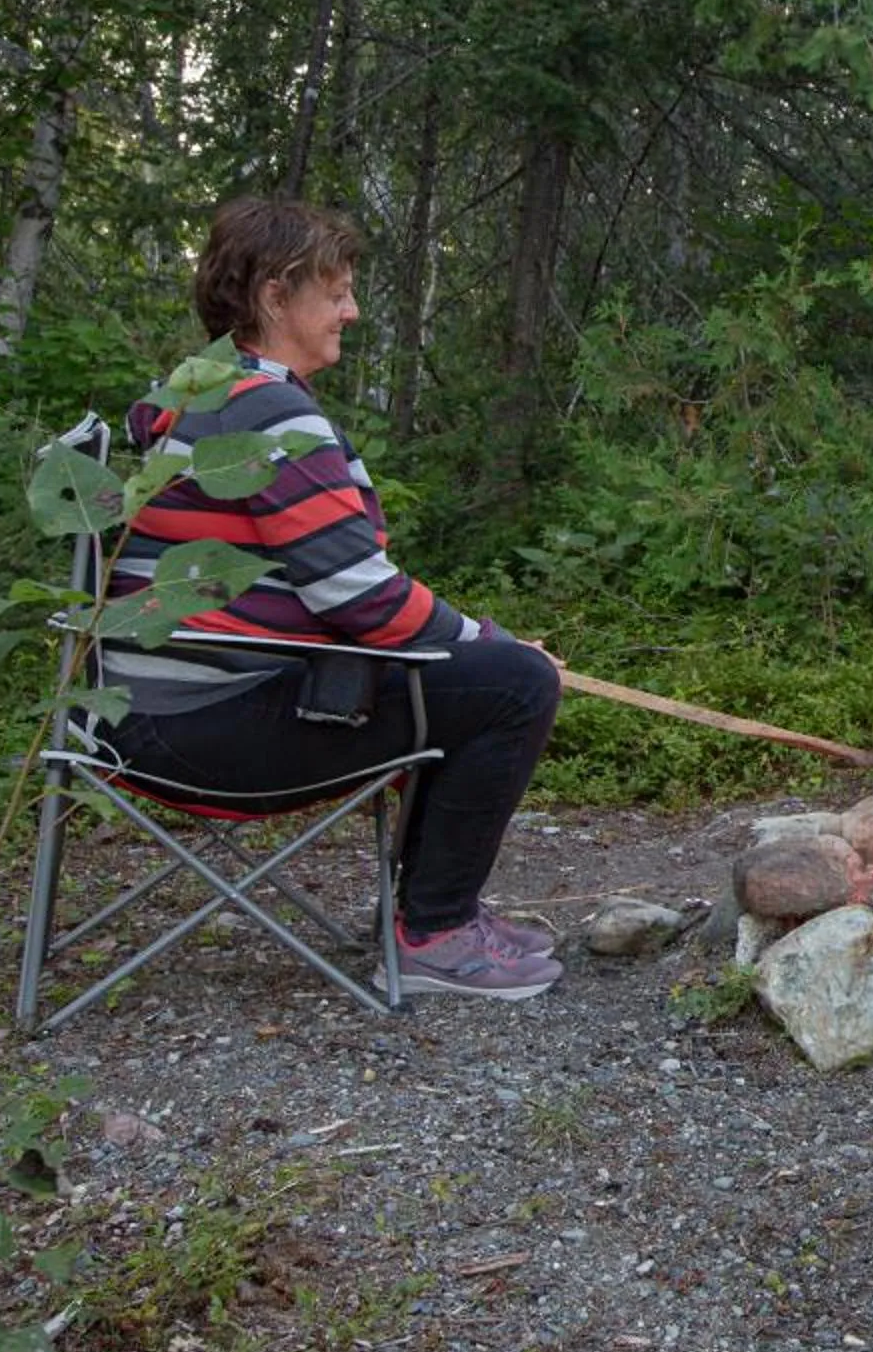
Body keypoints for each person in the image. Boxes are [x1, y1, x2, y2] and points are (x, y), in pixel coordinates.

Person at [97, 198, 564, 1000]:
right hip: (201, 722)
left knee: (477, 672)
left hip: (132, 712)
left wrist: (476, 640)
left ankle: (434, 914)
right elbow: (363, 600)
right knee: (512, 686)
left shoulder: (202, 396)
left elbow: (337, 590)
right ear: (276, 297)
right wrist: (496, 642)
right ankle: (435, 931)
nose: (351, 310)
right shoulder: (269, 414)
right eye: (337, 291)